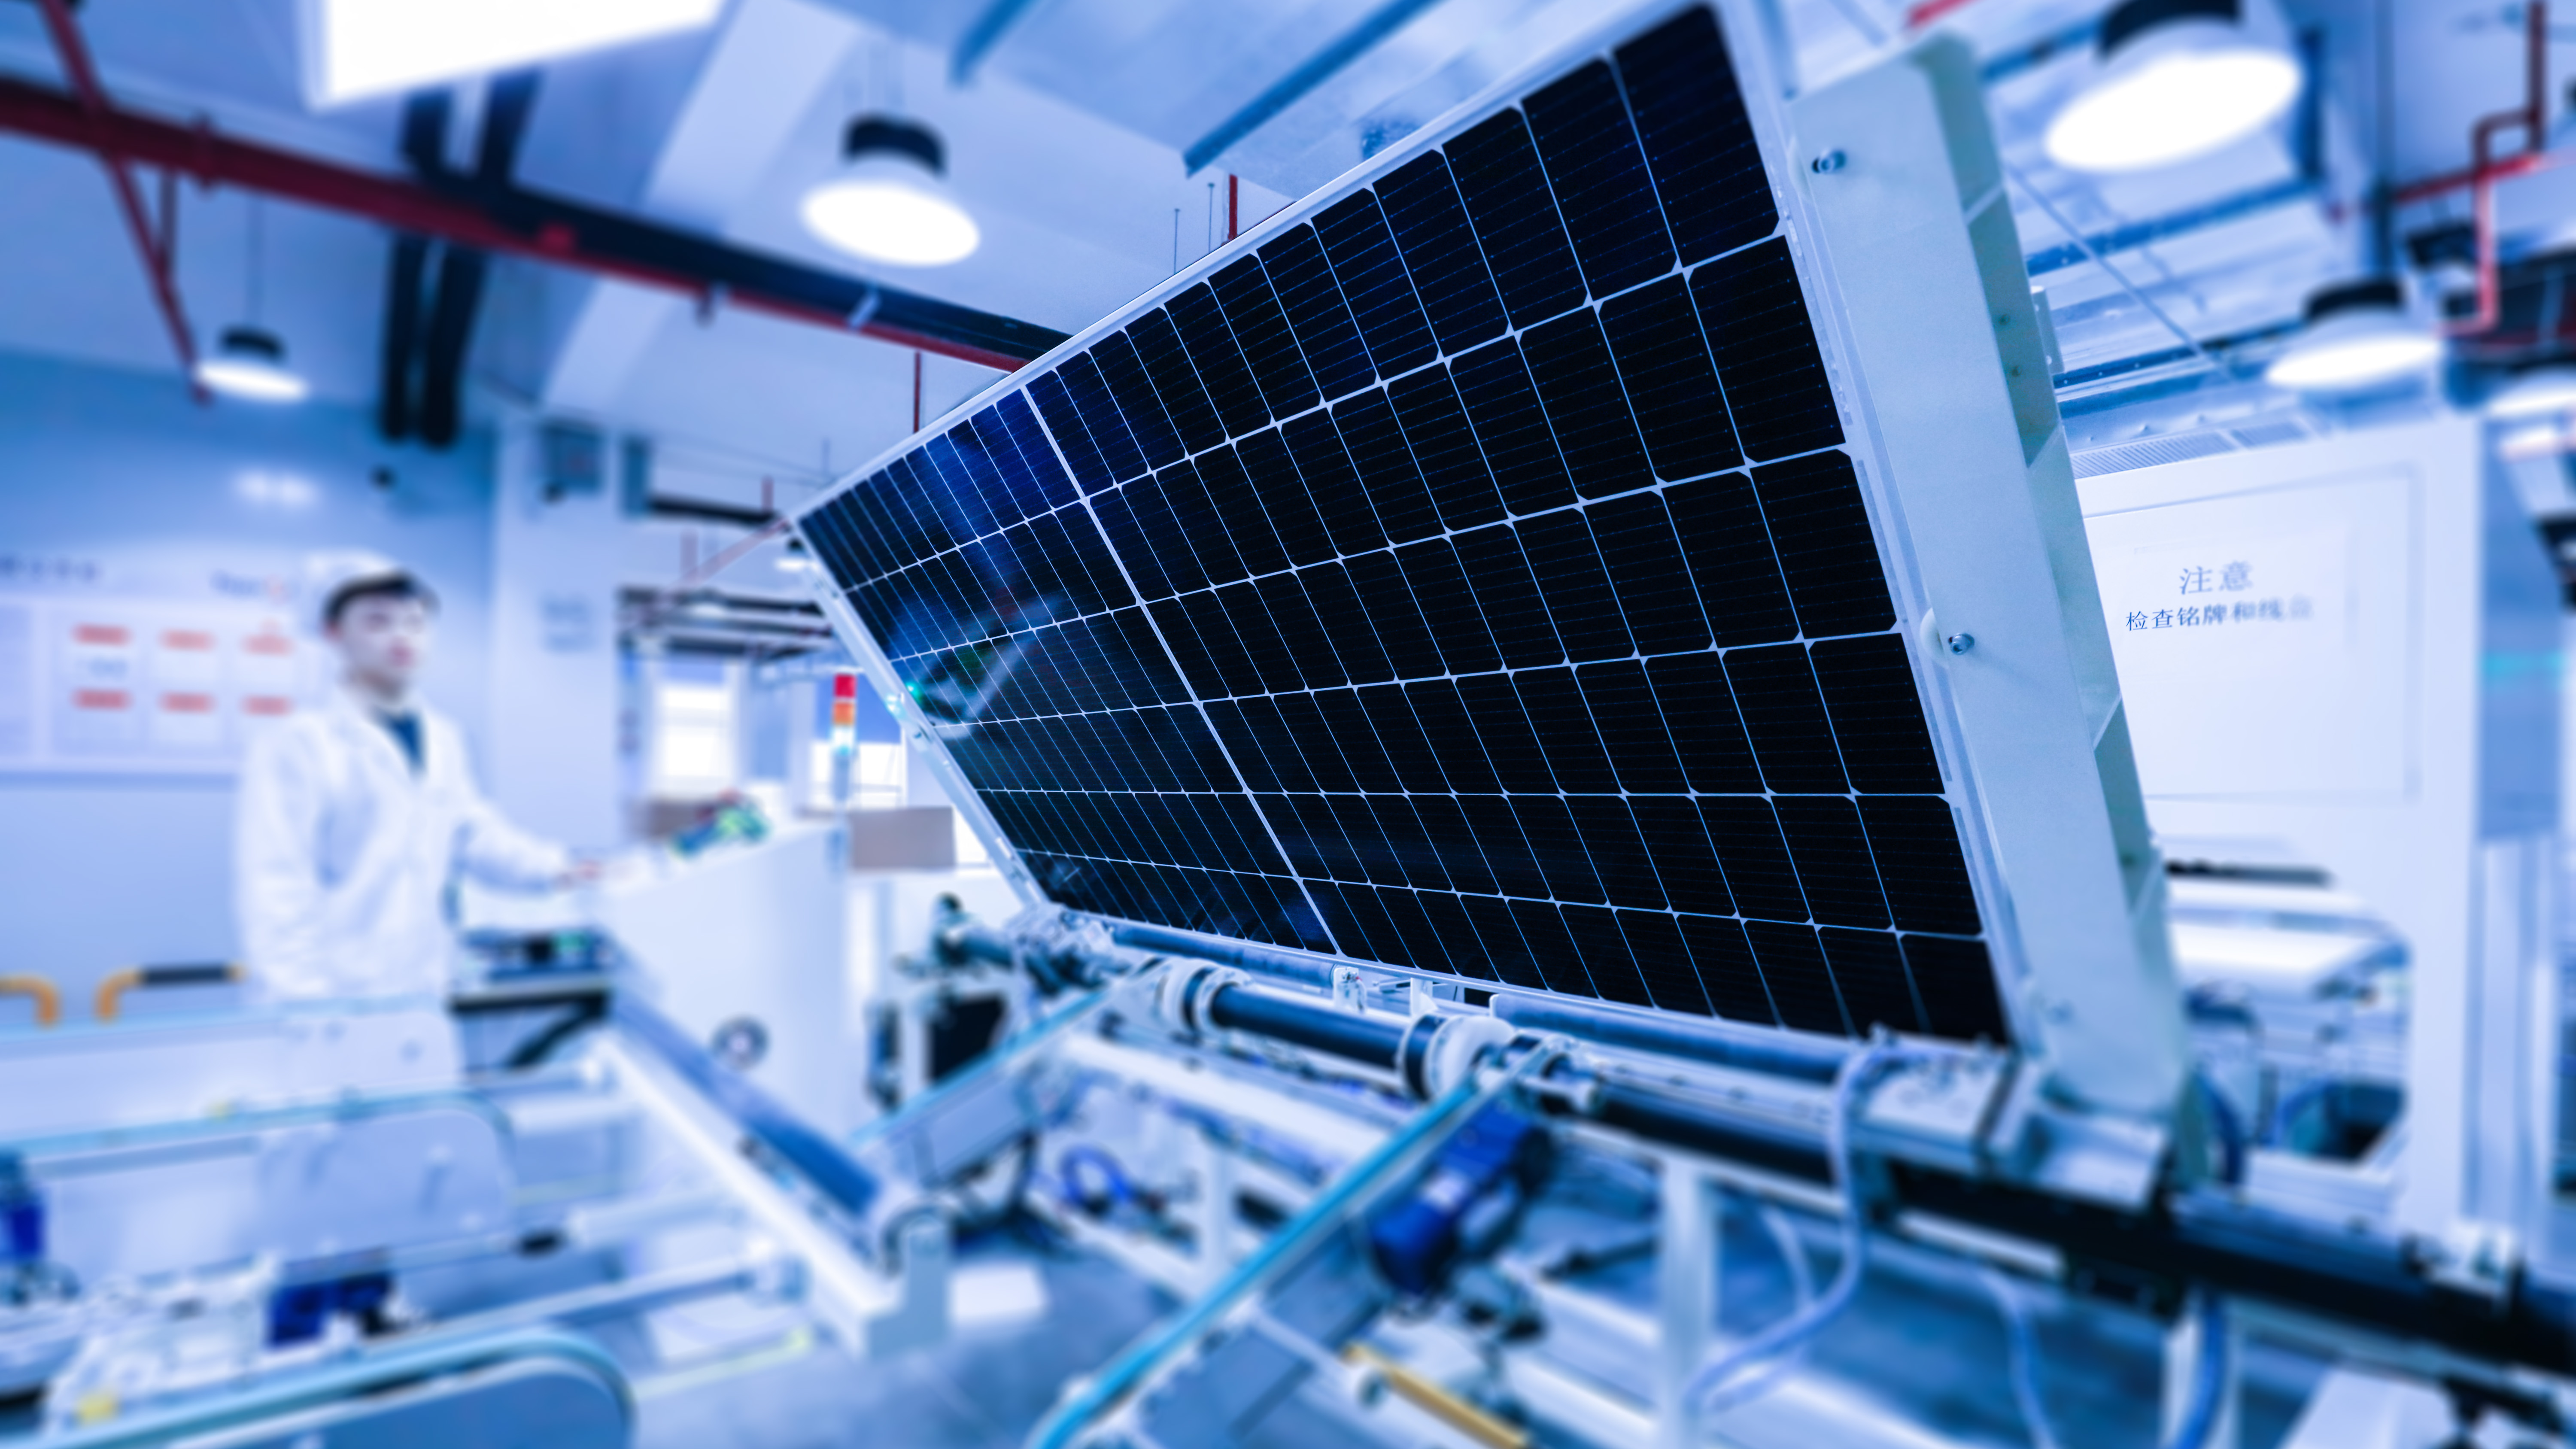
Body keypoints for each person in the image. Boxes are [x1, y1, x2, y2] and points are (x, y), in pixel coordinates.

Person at [236, 552, 588, 1002]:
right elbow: (276, 890)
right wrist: (306, 1004)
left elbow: (472, 834)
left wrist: (562, 868)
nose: (402, 636)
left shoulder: (444, 738)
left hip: (424, 987)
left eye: (415, 622)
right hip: (330, 997)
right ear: (334, 633)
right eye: (378, 622)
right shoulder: (297, 745)